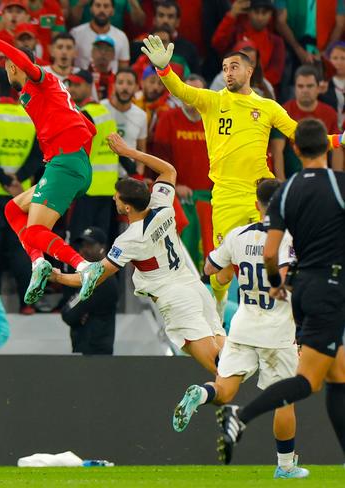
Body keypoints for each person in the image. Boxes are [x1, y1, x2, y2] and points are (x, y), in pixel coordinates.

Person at [139, 34, 344, 315]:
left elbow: (300, 135)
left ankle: (295, 310)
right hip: (225, 195)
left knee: (284, 249)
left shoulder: (267, 107)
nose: (228, 73)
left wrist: (340, 140)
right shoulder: (212, 101)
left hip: (262, 193)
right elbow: (181, 91)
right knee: (220, 271)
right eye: (224, 68)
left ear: (249, 70)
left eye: (234, 67)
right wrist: (164, 70)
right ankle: (220, 306)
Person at [217, 118, 345, 465]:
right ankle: (240, 417)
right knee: (308, 381)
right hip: (328, 287)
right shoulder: (337, 185)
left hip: (301, 290)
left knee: (338, 374)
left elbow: (270, 253)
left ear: (295, 149)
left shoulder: (284, 193)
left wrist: (277, 284)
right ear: (327, 147)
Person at [52, 135, 225, 373]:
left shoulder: (130, 239)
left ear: (127, 207)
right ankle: (233, 386)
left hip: (174, 297)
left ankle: (213, 393)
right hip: (193, 286)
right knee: (223, 350)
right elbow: (168, 171)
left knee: (217, 367)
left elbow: (93, 277)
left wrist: (57, 277)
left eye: (117, 197)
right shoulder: (161, 205)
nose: (114, 198)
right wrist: (128, 152)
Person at [172, 178, 309, 479]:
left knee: (224, 390)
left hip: (243, 326)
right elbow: (288, 281)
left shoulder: (238, 235)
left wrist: (228, 267)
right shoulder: (289, 239)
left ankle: (202, 393)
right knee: (283, 399)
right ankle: (286, 467)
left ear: (257, 204)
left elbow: (209, 268)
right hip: (278, 330)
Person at [0, 7, 105, 304]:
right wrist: (80, 157)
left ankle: (85, 267)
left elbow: (22, 60)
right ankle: (38, 263)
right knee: (13, 210)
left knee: (34, 231)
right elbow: (89, 129)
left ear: (13, 67)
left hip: (64, 164)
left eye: (10, 64)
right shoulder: (42, 93)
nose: (9, 68)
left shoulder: (40, 80)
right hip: (69, 164)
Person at [0, 66, 41, 313]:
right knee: (20, 248)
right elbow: (38, 154)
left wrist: (2, 178)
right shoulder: (29, 115)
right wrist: (17, 179)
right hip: (20, 194)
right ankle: (27, 304)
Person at [152, 74, 213, 269]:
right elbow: (160, 160)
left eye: (197, 92)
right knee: (186, 252)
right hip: (180, 198)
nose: (192, 97)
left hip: (212, 197)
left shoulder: (213, 120)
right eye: (187, 92)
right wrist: (174, 185)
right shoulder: (168, 119)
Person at [66, 69, 119, 245]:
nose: (72, 89)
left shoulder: (84, 114)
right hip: (107, 188)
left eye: (77, 85)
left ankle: (76, 273)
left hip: (88, 187)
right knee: (99, 242)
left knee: (80, 240)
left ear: (90, 86)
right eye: (70, 84)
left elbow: (74, 150)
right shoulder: (104, 112)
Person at [271, 65, 343, 180]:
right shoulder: (282, 112)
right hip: (291, 178)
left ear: (318, 88)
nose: (305, 90)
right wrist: (282, 184)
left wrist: (337, 180)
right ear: (295, 88)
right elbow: (277, 151)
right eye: (300, 86)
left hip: (322, 178)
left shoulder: (329, 113)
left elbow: (337, 149)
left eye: (309, 86)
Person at [61, 226, 118, 355]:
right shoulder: (89, 276)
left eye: (90, 245)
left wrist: (76, 310)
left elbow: (70, 315)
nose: (84, 250)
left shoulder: (103, 279)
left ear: (103, 247)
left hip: (95, 353)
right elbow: (67, 311)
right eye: (82, 245)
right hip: (86, 349)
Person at [212, 0, 285, 88]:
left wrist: (253, 84)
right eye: (256, 12)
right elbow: (218, 44)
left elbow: (275, 74)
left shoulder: (276, 41)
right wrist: (231, 15)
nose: (260, 17)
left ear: (271, 14)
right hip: (232, 85)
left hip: (260, 89)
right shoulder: (237, 33)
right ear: (249, 12)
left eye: (264, 13)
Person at [101, 67, 147, 178]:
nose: (125, 87)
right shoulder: (100, 109)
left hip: (127, 178)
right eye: (120, 83)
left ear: (136, 87)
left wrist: (138, 175)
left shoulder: (141, 115)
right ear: (113, 86)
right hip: (100, 177)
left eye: (130, 83)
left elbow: (141, 149)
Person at [70, 0, 130, 73]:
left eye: (106, 6)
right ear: (91, 9)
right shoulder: (76, 34)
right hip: (81, 81)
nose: (102, 10)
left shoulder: (121, 37)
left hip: (111, 82)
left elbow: (123, 70)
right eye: (98, 5)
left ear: (112, 10)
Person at [321, 42, 345, 130]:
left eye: (343, 58)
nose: (339, 62)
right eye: (335, 58)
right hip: (329, 131)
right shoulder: (322, 84)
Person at [89, 34, 115, 101]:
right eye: (99, 48)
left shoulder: (117, 80)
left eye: (107, 49)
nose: (103, 52)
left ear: (113, 54)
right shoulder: (84, 78)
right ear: (92, 52)